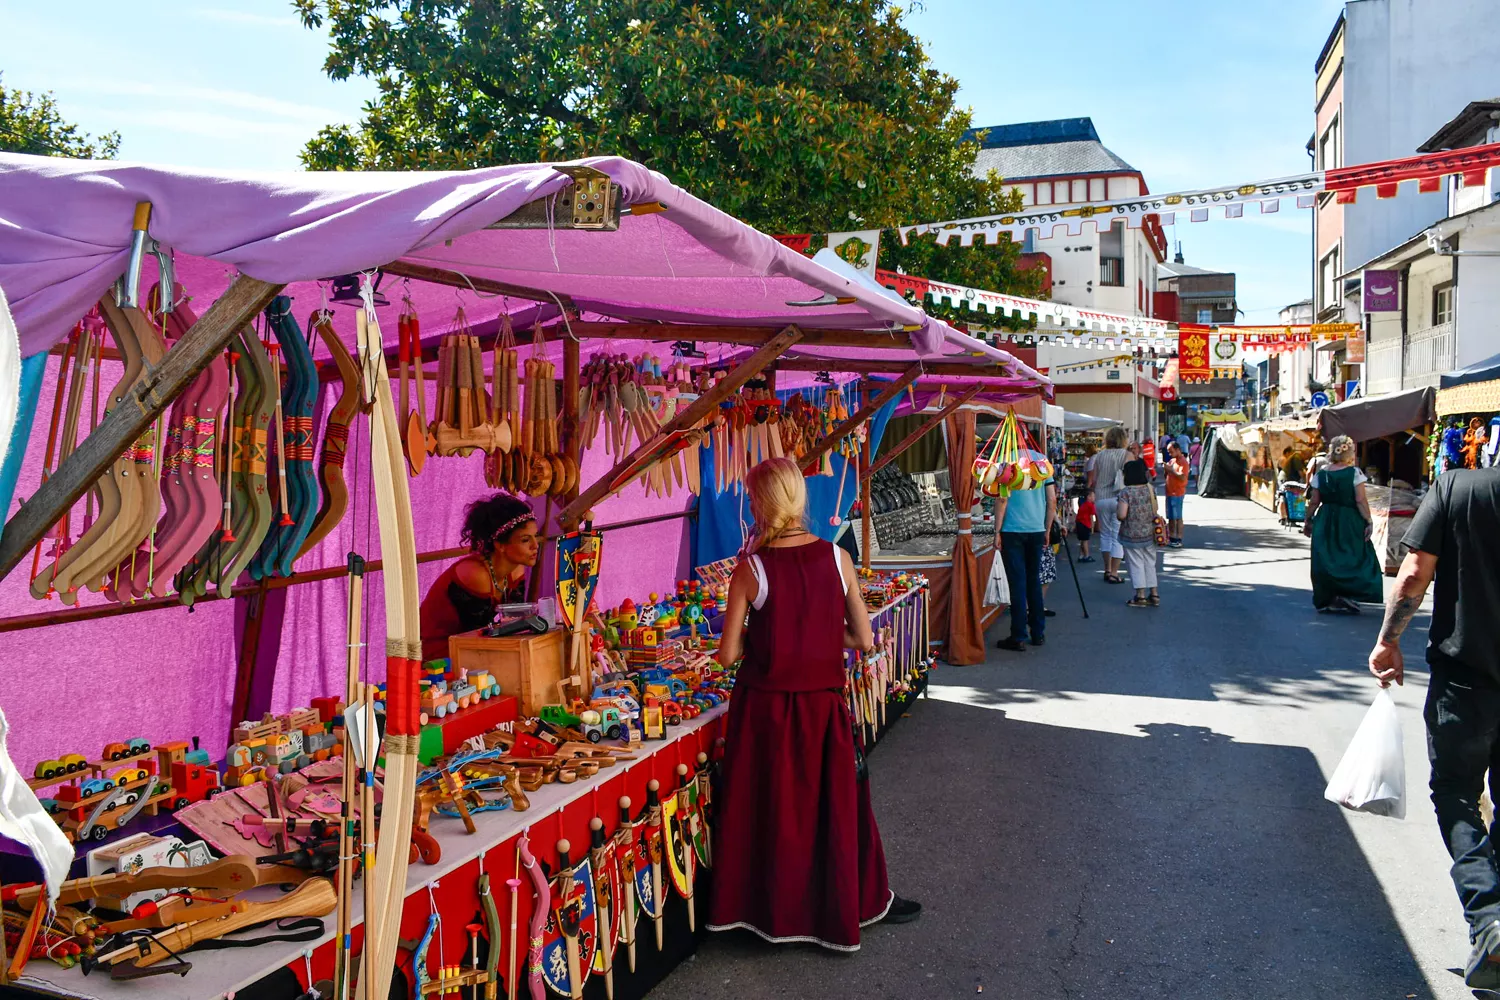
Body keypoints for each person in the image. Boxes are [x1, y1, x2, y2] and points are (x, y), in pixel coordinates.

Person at [710, 458, 919, 949]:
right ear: (799, 499)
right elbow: (864, 639)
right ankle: (846, 904)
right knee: (834, 808)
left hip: (763, 711)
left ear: (759, 503)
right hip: (822, 710)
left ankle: (764, 914)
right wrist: (824, 638)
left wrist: (775, 638)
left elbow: (727, 655)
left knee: (770, 810)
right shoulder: (835, 557)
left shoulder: (750, 568)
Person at [1367, 464, 1500, 988]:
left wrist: (1388, 639)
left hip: (1464, 677)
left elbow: (1415, 570)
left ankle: (1488, 915)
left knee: (1456, 794)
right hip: (1465, 679)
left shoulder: (1459, 488)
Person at [418, 493, 539, 662]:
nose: (535, 545)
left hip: (470, 651)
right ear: (500, 545)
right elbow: (475, 639)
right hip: (437, 656)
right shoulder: (477, 575)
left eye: (536, 536)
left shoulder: (515, 571)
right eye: (526, 540)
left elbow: (513, 625)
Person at [1302, 434, 1382, 614]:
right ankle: (1347, 594)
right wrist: (1368, 520)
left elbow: (1314, 500)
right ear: (1350, 453)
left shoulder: (1321, 475)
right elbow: (1360, 500)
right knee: (1352, 556)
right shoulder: (1354, 473)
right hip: (1349, 519)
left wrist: (1308, 519)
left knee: (1325, 558)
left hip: (1325, 518)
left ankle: (1329, 597)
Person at [994, 450, 1057, 651]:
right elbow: (1052, 500)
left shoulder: (1006, 461)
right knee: (1033, 582)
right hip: (1036, 529)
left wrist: (997, 530)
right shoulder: (1042, 462)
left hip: (1012, 530)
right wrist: (1047, 528)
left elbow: (1002, 499)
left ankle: (1018, 635)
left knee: (1018, 584)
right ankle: (1038, 632)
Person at [1115, 459, 1160, 607]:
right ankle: (1154, 593)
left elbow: (1121, 514)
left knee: (1136, 564)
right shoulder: (1150, 488)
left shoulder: (1126, 492)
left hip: (1131, 534)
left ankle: (1140, 596)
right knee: (1150, 563)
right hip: (1150, 532)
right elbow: (1155, 509)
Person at [1089, 426, 1130, 585]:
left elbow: (1095, 478)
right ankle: (1114, 572)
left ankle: (1106, 569)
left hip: (1101, 498)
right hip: (1119, 498)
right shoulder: (1126, 455)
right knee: (1117, 536)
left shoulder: (1099, 456)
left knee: (1105, 535)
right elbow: (1131, 476)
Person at [1164, 441, 1189, 547]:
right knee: (1171, 517)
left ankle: (1177, 538)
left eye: (1171, 451)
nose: (1169, 454)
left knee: (1176, 517)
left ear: (1178, 450)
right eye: (1168, 452)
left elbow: (1183, 476)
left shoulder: (1183, 462)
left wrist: (1171, 470)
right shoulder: (1173, 460)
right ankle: (1172, 537)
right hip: (1170, 492)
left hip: (1177, 493)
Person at [1075, 490, 1097, 562]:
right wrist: (1092, 527)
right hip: (1085, 524)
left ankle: (1081, 555)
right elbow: (1091, 517)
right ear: (1089, 497)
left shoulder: (1084, 504)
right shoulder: (1091, 505)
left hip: (1079, 523)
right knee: (1085, 541)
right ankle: (1087, 555)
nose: (1094, 498)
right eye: (1093, 496)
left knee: (1082, 540)